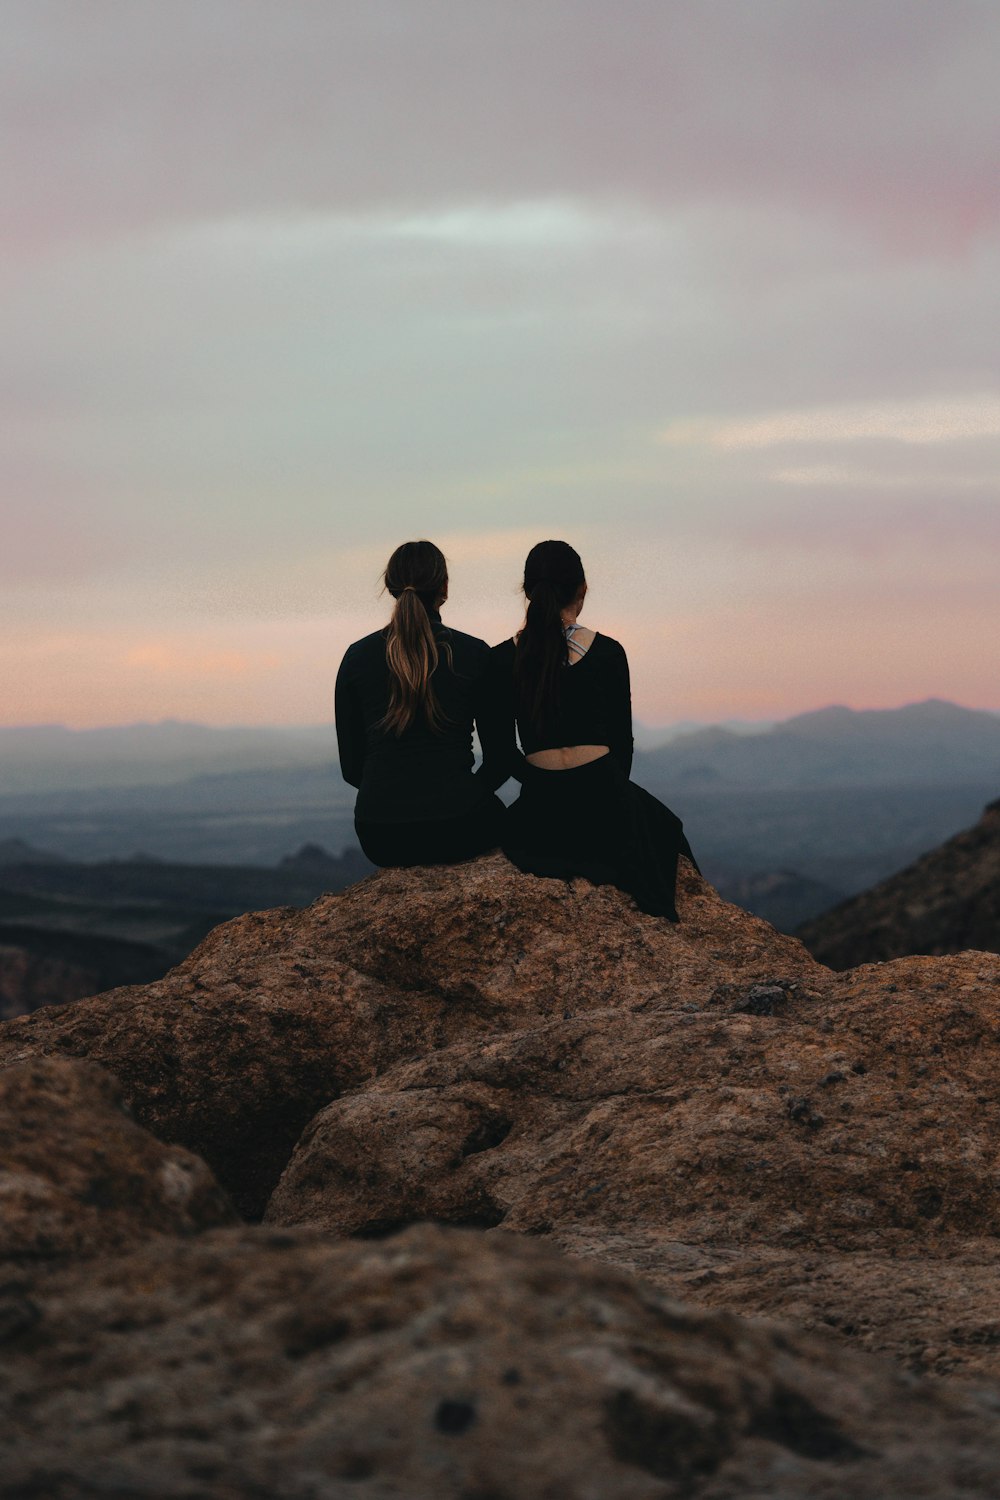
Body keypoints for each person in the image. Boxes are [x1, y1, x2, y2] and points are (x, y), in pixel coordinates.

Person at [492, 539, 697, 919]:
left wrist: (542, 782)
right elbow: (623, 745)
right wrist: (607, 791)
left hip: (541, 811)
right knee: (668, 831)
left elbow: (503, 753)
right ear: (582, 589)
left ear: (527, 593)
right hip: (605, 798)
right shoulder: (608, 652)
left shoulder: (501, 659)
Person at [335, 539, 509, 866]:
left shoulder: (356, 657)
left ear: (390, 587)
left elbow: (351, 768)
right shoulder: (476, 654)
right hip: (460, 827)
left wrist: (396, 797)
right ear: (444, 587)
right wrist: (459, 796)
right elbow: (501, 760)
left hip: (380, 835)